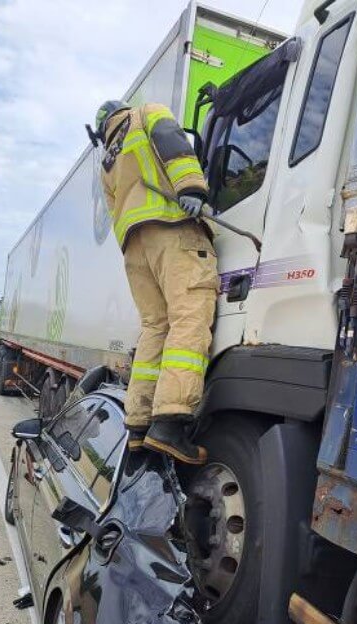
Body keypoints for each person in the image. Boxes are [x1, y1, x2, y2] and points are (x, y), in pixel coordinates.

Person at [95, 99, 217, 465]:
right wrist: (192, 186)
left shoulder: (107, 160)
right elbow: (171, 138)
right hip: (172, 229)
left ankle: (138, 425)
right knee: (189, 318)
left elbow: (114, 206)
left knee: (154, 328)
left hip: (135, 248)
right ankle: (169, 423)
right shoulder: (145, 112)